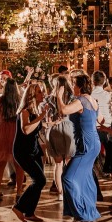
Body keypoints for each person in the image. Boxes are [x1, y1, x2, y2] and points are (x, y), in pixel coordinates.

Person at [57, 71, 101, 222]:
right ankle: (89, 212)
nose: (73, 87)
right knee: (85, 179)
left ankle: (81, 214)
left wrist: (59, 96)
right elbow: (99, 119)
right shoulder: (93, 101)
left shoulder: (81, 100)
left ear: (80, 86)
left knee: (67, 177)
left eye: (74, 84)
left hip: (86, 144)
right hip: (93, 142)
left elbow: (63, 110)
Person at [11, 79, 48, 222]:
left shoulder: (36, 110)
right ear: (32, 95)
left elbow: (37, 126)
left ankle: (30, 212)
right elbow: (26, 130)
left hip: (34, 149)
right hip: (23, 151)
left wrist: (51, 122)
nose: (42, 94)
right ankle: (19, 207)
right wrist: (41, 117)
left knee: (39, 181)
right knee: (40, 180)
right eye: (39, 92)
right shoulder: (24, 111)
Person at [44, 73, 75, 201]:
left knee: (58, 164)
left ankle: (61, 193)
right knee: (69, 162)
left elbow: (47, 117)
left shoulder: (49, 99)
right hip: (69, 128)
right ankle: (71, 191)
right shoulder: (72, 97)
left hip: (54, 128)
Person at [0, 77, 22, 202]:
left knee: (0, 162)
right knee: (18, 163)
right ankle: (19, 192)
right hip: (16, 130)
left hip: (2, 130)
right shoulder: (20, 101)